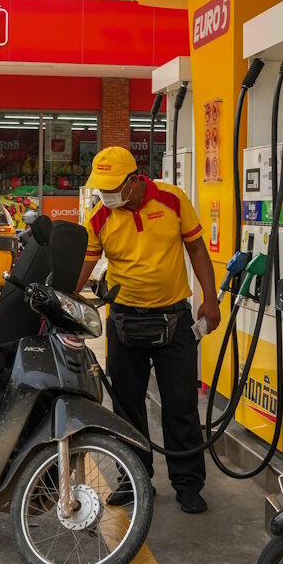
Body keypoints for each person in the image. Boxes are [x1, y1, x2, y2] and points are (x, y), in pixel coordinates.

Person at [76, 146, 220, 514]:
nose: (106, 195)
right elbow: (82, 267)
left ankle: (188, 484)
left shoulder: (172, 200)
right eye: (102, 188)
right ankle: (133, 479)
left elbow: (197, 250)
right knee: (126, 406)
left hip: (174, 319)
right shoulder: (98, 217)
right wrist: (65, 308)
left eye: (113, 187)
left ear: (134, 180)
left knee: (181, 405)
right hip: (124, 320)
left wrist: (210, 298)